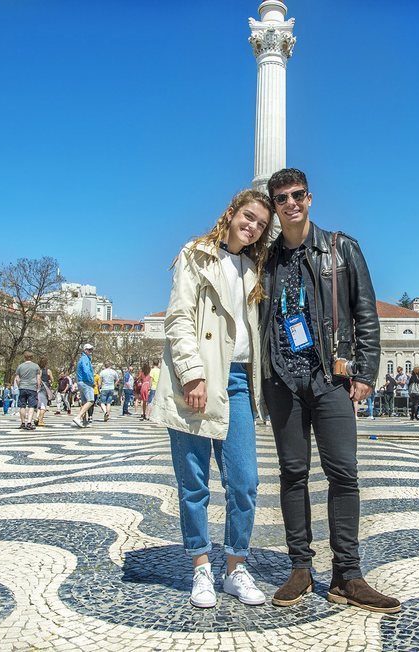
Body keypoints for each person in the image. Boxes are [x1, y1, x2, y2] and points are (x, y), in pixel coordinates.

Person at [259, 168, 399, 614]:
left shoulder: (340, 249)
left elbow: (365, 314)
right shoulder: (267, 259)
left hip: (331, 379)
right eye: (281, 198)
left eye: (298, 195)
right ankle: (300, 567)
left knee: (343, 474)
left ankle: (347, 575)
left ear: (310, 198)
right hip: (283, 381)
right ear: (274, 206)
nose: (291, 203)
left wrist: (365, 372)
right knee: (292, 474)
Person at [151, 188, 273, 608]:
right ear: (231, 212)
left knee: (245, 482)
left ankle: (235, 568)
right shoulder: (196, 254)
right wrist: (192, 374)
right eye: (248, 216)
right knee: (195, 483)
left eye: (260, 222)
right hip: (200, 379)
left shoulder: (254, 269)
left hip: (238, 381)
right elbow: (179, 316)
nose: (252, 225)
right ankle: (201, 566)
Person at [14, 351, 41, 431]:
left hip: (22, 387)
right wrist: (38, 386)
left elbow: (17, 378)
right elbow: (38, 378)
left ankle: (22, 423)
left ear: (24, 357)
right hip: (32, 387)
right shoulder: (36, 366)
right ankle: (29, 423)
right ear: (32, 357)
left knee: (22, 405)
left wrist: (19, 385)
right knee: (31, 406)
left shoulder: (20, 366)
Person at [73, 344, 96, 428]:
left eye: (91, 350)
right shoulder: (85, 359)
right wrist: (92, 381)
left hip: (81, 382)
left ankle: (84, 421)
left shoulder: (82, 359)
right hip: (86, 382)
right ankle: (78, 417)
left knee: (84, 402)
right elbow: (86, 371)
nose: (91, 352)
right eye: (89, 350)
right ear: (85, 350)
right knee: (91, 401)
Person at [37, 357, 53, 427]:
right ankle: (40, 420)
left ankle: (37, 418)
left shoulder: (38, 370)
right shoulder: (48, 371)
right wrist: (49, 380)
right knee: (44, 405)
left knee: (39, 404)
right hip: (45, 388)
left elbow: (38, 378)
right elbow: (52, 379)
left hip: (39, 388)